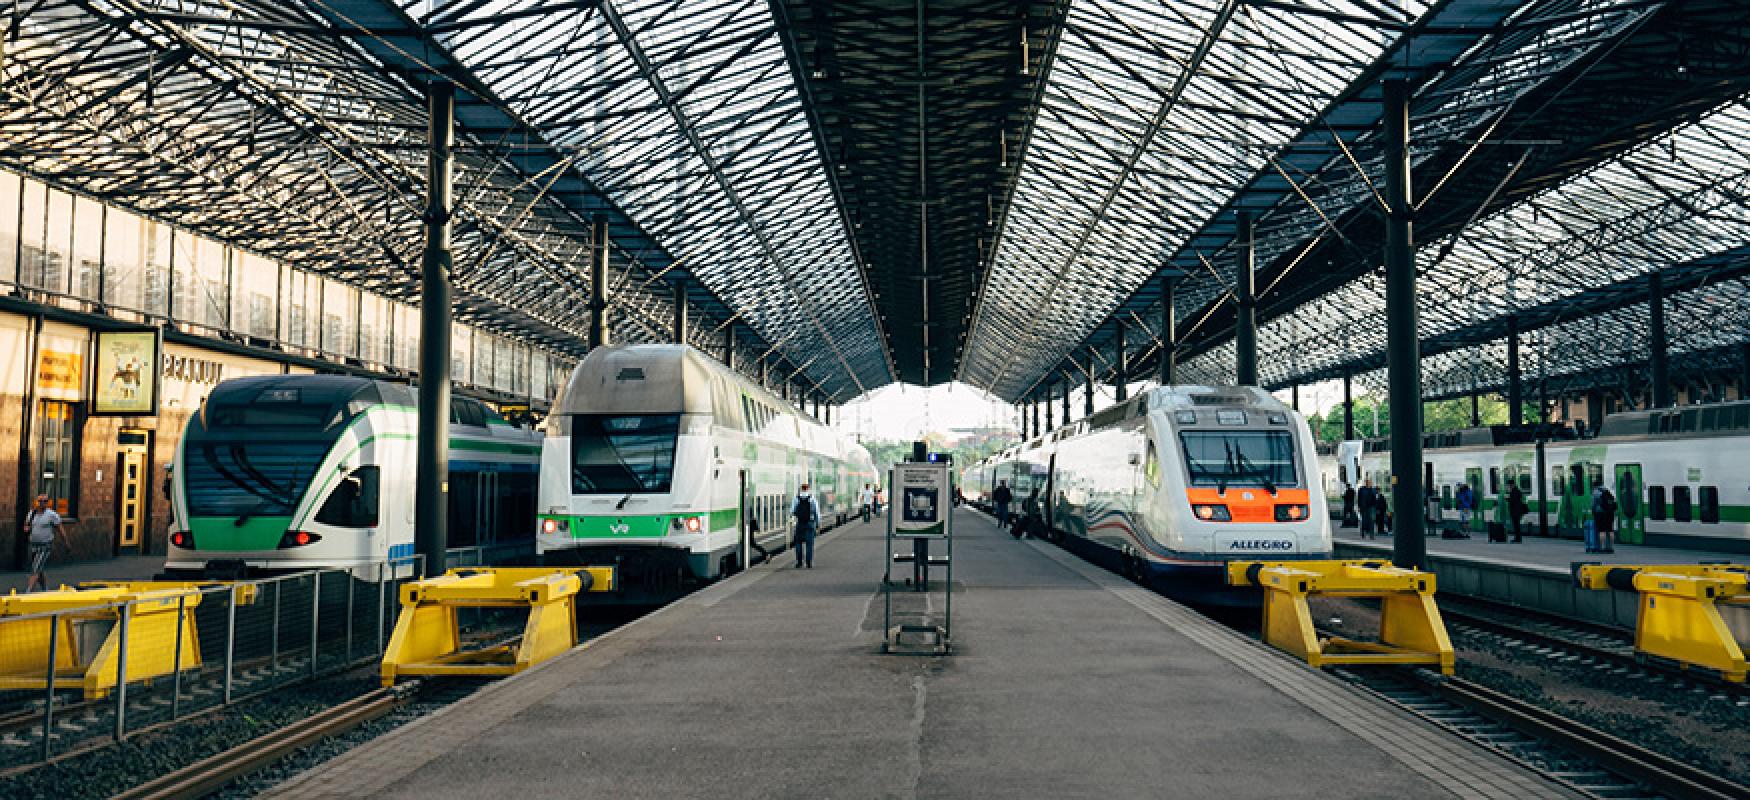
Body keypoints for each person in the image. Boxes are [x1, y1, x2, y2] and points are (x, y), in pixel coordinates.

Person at [23, 494, 66, 593]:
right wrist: (26, 528)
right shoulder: (32, 513)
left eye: (45, 501)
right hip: (34, 544)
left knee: (35, 569)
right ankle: (45, 589)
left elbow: (60, 529)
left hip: (45, 545)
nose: (42, 503)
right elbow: (26, 524)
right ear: (36, 502)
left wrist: (66, 542)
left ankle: (28, 591)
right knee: (39, 568)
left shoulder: (52, 515)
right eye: (40, 501)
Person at [791, 483, 820, 569]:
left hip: (799, 523)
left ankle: (799, 562)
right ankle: (808, 563)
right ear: (808, 489)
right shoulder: (812, 498)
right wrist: (818, 524)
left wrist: (794, 520)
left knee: (798, 543)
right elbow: (816, 512)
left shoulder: (796, 498)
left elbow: (792, 511)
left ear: (801, 489)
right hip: (810, 523)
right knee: (809, 543)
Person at [1590, 485, 1618, 554]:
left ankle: (1602, 547)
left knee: (1601, 531)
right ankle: (1610, 547)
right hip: (1610, 513)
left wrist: (1593, 512)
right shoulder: (1607, 491)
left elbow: (1593, 504)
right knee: (1610, 530)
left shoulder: (1596, 492)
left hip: (1600, 513)